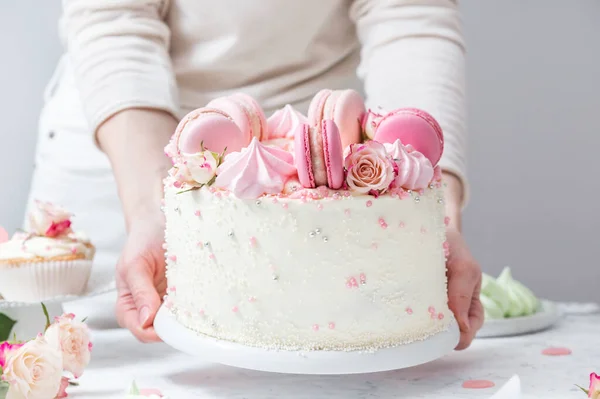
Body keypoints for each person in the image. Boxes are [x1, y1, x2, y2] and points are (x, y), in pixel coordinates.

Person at [27, 0, 483, 349]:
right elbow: (114, 22)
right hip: (127, 157)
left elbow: (410, 18)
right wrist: (153, 206)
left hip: (317, 167)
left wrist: (434, 214)